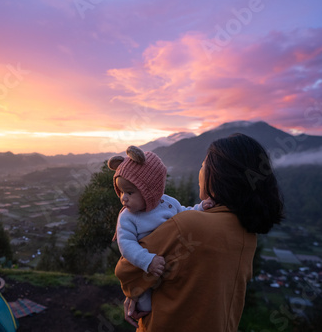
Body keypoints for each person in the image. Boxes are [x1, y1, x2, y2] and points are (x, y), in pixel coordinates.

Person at [115, 133, 284, 331]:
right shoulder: (247, 235)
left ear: (219, 175)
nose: (200, 171)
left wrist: (135, 293)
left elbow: (126, 271)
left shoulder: (188, 225)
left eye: (203, 165)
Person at [108, 145, 214, 312]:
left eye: (129, 192)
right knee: (146, 307)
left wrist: (200, 208)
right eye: (121, 192)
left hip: (171, 264)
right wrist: (147, 261)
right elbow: (126, 244)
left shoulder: (168, 203)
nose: (123, 198)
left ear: (150, 190)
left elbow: (183, 214)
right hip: (144, 268)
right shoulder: (127, 217)